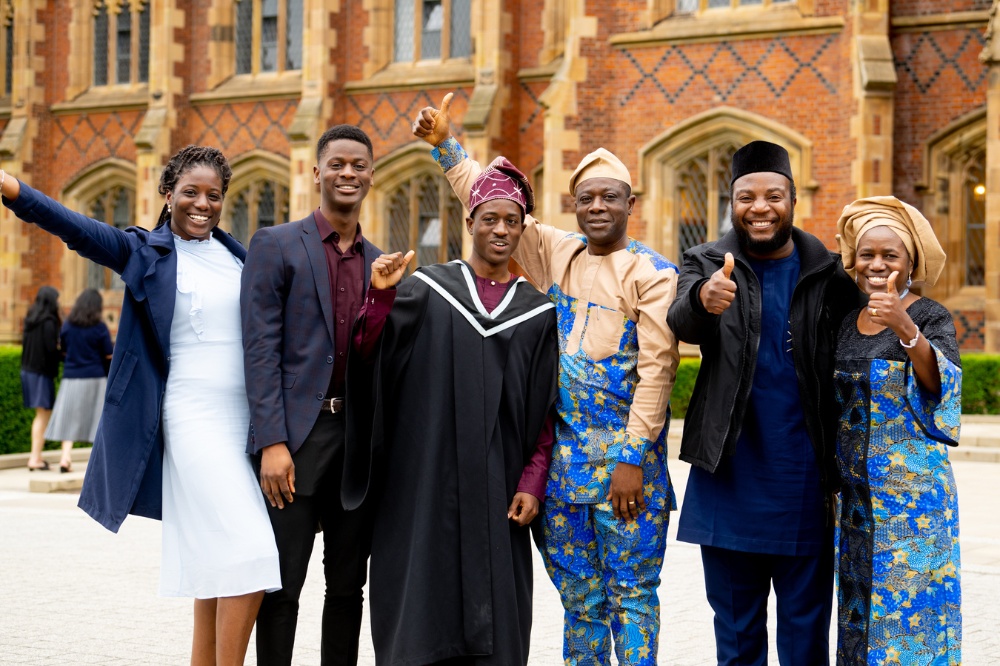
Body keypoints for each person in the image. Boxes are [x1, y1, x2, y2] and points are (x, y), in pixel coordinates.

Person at [414, 94, 680, 665]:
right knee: (581, 601)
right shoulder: (557, 253)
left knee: (632, 599)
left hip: (626, 474)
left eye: (611, 197)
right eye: (587, 199)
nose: (598, 207)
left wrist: (633, 457)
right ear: (574, 205)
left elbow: (658, 371)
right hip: (562, 473)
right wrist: (445, 145)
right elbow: (490, 204)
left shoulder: (654, 274)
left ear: (631, 203)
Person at [0, 147, 281, 666]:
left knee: (216, 564)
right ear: (168, 193)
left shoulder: (240, 256)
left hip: (244, 423)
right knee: (253, 552)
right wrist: (12, 188)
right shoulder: (143, 252)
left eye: (214, 195)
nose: (203, 204)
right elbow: (75, 226)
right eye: (191, 192)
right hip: (191, 418)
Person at [342, 158, 559, 665]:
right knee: (422, 614)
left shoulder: (537, 313)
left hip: (499, 487)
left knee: (497, 623)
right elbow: (371, 361)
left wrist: (532, 480)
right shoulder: (427, 290)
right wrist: (378, 298)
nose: (500, 229)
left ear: (523, 228)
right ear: (470, 223)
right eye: (489, 218)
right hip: (424, 485)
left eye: (511, 221)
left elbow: (547, 410)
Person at [666, 140, 863, 665]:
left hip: (804, 484)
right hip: (728, 478)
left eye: (772, 195)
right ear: (731, 202)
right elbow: (681, 322)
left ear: (792, 199)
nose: (760, 207)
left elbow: (868, 339)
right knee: (737, 637)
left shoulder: (829, 273)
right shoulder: (706, 261)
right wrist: (703, 302)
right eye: (746, 196)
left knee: (805, 639)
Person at [241, 124, 382, 666]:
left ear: (371, 176)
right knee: (282, 587)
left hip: (355, 447)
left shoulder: (380, 262)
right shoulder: (276, 245)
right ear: (317, 171)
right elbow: (260, 352)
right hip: (296, 443)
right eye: (338, 164)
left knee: (348, 590)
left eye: (359, 165)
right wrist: (271, 442)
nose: (349, 173)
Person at [833, 196, 961, 665]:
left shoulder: (929, 315)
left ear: (911, 263)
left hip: (912, 505)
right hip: (855, 504)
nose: (877, 264)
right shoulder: (848, 321)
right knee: (858, 617)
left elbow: (941, 386)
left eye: (891, 255)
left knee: (913, 622)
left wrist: (905, 326)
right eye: (868, 254)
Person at [43, 288, 113, 473]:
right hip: (95, 378)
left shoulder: (67, 326)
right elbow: (108, 354)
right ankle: (96, 463)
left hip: (71, 378)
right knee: (97, 420)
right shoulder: (99, 327)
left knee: (69, 418)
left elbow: (63, 350)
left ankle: (65, 458)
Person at [20, 285, 61, 471]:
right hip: (40, 373)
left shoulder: (31, 319)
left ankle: (36, 456)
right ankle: (34, 458)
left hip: (28, 371)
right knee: (43, 416)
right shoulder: (48, 322)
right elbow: (51, 350)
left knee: (41, 415)